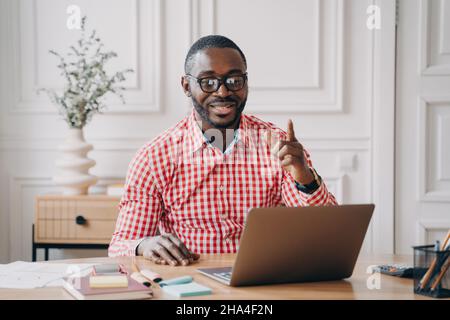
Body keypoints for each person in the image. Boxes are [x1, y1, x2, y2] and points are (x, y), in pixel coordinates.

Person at [108, 35, 337, 265]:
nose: (223, 92)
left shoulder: (279, 145)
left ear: (245, 83)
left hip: (264, 278)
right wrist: (144, 244)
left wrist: (303, 175)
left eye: (234, 80)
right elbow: (121, 246)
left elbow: (327, 230)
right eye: (208, 82)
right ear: (187, 86)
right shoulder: (154, 158)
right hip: (189, 283)